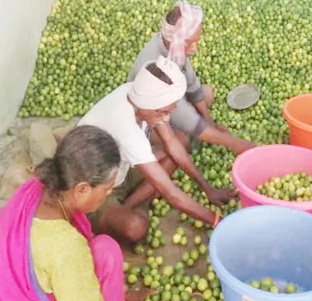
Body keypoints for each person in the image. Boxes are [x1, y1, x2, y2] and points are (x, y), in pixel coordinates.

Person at [0, 126, 177, 301]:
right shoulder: (65, 246)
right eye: (107, 189)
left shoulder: (40, 188)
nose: (109, 194)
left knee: (106, 250)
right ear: (82, 189)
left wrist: (119, 294)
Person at [78, 56, 226, 244]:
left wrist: (207, 188)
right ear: (152, 106)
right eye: (163, 112)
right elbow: (171, 193)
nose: (166, 119)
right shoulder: (125, 125)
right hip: (98, 189)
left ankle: (131, 203)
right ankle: (126, 208)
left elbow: (173, 145)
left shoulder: (141, 96)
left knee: (180, 142)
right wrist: (217, 220)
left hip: (122, 168)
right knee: (135, 227)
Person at [128, 0, 254, 155]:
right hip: (148, 118)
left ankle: (204, 132)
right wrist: (234, 143)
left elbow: (193, 85)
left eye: (196, 41)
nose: (195, 48)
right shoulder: (157, 66)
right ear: (177, 40)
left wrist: (209, 123)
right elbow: (182, 114)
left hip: (169, 104)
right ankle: (163, 148)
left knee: (206, 93)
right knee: (181, 143)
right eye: (190, 42)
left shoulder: (175, 48)